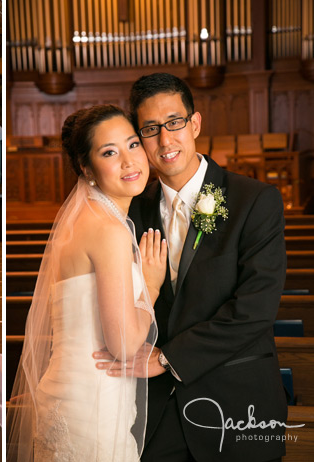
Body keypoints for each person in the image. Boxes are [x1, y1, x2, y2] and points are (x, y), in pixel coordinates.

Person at [95, 73, 288, 462]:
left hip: (236, 407)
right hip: (154, 416)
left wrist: (168, 357)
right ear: (140, 137)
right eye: (150, 129)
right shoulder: (131, 211)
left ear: (194, 123)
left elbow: (255, 311)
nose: (165, 140)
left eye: (175, 122)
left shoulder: (255, 201)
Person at [7, 105, 167, 461]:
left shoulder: (83, 220)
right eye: (109, 152)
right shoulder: (108, 230)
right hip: (93, 401)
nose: (129, 161)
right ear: (86, 168)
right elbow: (123, 345)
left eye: (132, 145)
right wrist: (152, 285)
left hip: (67, 392)